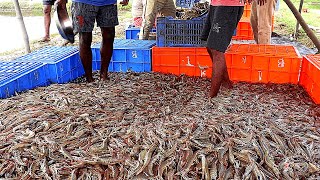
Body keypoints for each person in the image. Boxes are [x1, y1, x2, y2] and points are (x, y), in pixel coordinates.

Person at [200, 0, 266, 98]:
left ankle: (212, 97)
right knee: (210, 47)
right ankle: (227, 84)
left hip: (228, 6)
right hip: (216, 4)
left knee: (216, 49)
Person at [71, 0, 129, 82]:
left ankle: (104, 74)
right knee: (85, 38)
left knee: (109, 36)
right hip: (83, 2)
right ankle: (89, 78)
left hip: (108, 3)